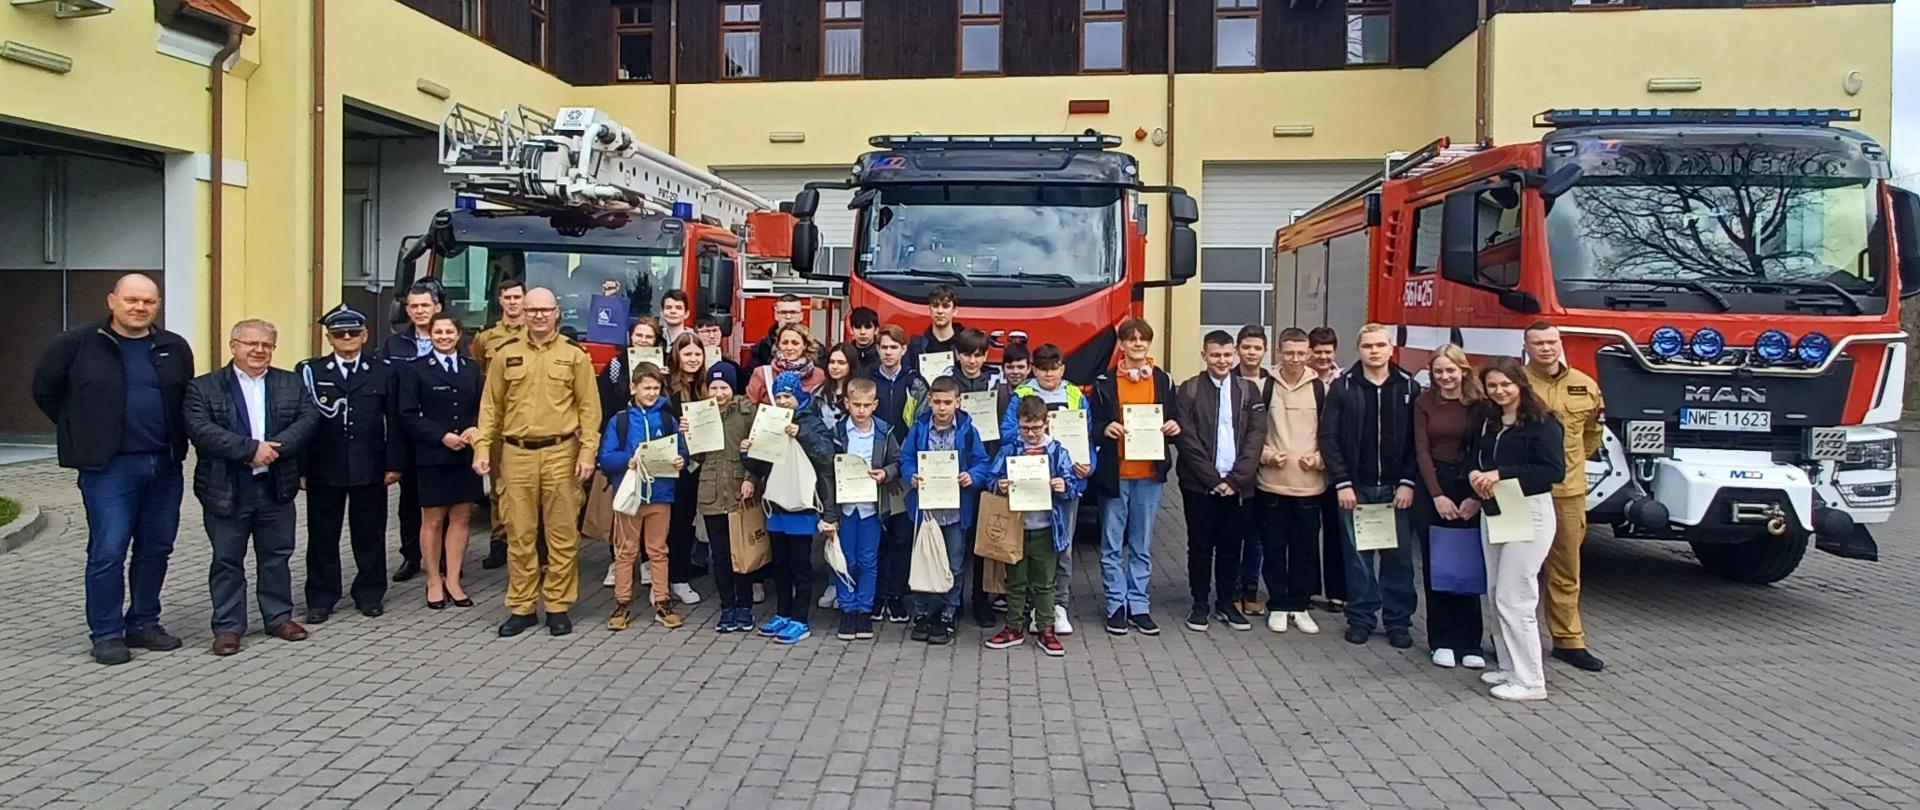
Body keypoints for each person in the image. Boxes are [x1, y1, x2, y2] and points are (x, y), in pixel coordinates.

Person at [32, 273, 195, 665]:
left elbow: (184, 397)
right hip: (109, 467)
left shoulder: (172, 347)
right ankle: (106, 632)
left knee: (157, 547)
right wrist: (83, 433)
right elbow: (46, 392)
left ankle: (143, 621)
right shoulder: (76, 344)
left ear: (157, 305)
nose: (139, 308)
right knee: (108, 549)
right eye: (131, 300)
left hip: (164, 463)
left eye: (148, 302)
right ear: (112, 300)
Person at [182, 319, 320, 655]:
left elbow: (308, 418)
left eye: (267, 345)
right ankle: (228, 626)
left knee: (276, 556)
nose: (259, 350)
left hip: (276, 484)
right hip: (226, 487)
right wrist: (250, 449)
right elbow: (200, 429)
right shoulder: (204, 387)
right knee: (227, 559)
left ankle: (278, 617)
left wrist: (275, 449)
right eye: (250, 344)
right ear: (233, 346)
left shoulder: (290, 383)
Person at [472, 287, 602, 638]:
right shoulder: (505, 354)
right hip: (516, 455)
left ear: (557, 312)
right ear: (524, 313)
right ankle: (523, 606)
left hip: (561, 453)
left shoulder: (574, 356)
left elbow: (590, 409)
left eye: (545, 310)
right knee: (519, 533)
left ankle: (558, 605)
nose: (539, 316)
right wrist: (482, 449)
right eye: (532, 310)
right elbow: (490, 407)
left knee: (561, 535)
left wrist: (588, 452)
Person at [295, 305, 406, 622]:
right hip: (323, 466)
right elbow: (301, 423)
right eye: (339, 333)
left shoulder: (383, 371)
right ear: (329, 337)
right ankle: (321, 598)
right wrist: (301, 468)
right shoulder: (311, 372)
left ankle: (369, 593)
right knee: (322, 536)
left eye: (353, 332)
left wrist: (394, 463)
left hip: (370, 465)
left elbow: (394, 422)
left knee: (370, 534)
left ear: (365, 335)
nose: (347, 338)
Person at [1466, 357, 1567, 702]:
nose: (1499, 391)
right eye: (1492, 385)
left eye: (1505, 384)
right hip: (1496, 509)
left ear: (1520, 383)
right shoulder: (1489, 421)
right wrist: (1476, 477)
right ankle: (1508, 665)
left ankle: (1531, 679)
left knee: (1516, 595)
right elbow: (1477, 458)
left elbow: (1553, 471)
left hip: (1530, 512)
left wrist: (1502, 475)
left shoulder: (1543, 422)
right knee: (1496, 592)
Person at [1319, 323, 1421, 649]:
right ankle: (1361, 618)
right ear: (1358, 349)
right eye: (1367, 346)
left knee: (1398, 560)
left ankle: (1398, 622)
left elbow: (1418, 442)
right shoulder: (1343, 386)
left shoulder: (1408, 387)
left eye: (1380, 345)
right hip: (1356, 488)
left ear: (1391, 348)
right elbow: (1328, 437)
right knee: (1357, 559)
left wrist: (1408, 482)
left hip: (1396, 490)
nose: (1374, 351)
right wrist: (1342, 483)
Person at [1521, 320, 1608, 673]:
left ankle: (1568, 640)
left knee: (1566, 569)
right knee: (1519, 571)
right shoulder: (1515, 384)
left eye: (1551, 341)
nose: (1546, 348)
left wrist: (1568, 466)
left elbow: (1592, 436)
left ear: (1560, 343)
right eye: (1538, 342)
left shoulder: (1584, 386)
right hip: (1523, 492)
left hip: (1568, 492)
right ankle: (1513, 638)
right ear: (1527, 347)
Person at [1172, 330, 1267, 633]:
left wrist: (1236, 480)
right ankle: (1200, 604)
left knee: (1231, 546)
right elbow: (1186, 439)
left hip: (1239, 486)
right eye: (1215, 355)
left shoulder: (1249, 390)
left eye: (1227, 355)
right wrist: (1213, 479)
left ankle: (1226, 603)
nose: (1222, 360)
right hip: (1199, 485)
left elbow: (1256, 436)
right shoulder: (1188, 390)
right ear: (1204, 356)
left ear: (1235, 355)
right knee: (1200, 546)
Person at [1090, 318, 1179, 636]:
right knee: (1112, 544)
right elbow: (1094, 423)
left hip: (1149, 476)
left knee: (1141, 544)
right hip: (1117, 474)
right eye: (1131, 340)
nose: (1137, 344)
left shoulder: (1163, 380)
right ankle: (1116, 604)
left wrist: (1172, 427)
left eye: (1143, 340)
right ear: (1122, 344)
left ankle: (1139, 605)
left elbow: (1175, 418)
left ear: (1149, 344)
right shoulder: (1105, 381)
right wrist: (1104, 429)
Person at [1000, 343, 1092, 635]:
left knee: (1061, 547)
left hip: (1062, 485)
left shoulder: (1074, 394)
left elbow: (1086, 438)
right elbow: (1007, 433)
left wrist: (1088, 466)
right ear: (1033, 369)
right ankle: (1029, 607)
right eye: (1042, 368)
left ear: (1063, 368)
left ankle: (1058, 606)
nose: (1049, 374)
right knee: (1026, 548)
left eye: (1054, 368)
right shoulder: (1022, 394)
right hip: (1027, 485)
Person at [983, 396, 1085, 657]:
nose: (1030, 434)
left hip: (1046, 527)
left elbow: (1073, 486)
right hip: (1016, 528)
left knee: (1045, 583)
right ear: (1018, 424)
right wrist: (1000, 485)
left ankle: (1046, 628)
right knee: (1015, 581)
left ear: (1046, 423)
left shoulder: (1057, 451)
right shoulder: (1010, 449)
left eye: (1035, 428)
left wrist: (1063, 486)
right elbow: (991, 478)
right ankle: (1014, 627)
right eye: (1025, 428)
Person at [744, 371, 838, 645]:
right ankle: (782, 612)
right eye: (780, 396)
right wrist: (746, 451)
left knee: (800, 566)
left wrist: (802, 434)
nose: (784, 401)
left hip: (801, 504)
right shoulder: (769, 422)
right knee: (780, 565)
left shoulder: (811, 421)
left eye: (789, 396)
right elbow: (758, 466)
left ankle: (800, 619)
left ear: (799, 396)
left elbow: (826, 457)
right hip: (775, 505)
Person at [898, 376, 993, 645]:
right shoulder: (918, 429)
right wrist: (911, 475)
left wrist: (971, 476)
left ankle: (949, 613)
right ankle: (921, 613)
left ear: (958, 402)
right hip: (925, 510)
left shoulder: (968, 431)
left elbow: (982, 462)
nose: (942, 408)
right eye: (937, 402)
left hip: (954, 511)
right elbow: (905, 458)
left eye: (947, 402)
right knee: (923, 561)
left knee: (954, 563)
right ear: (929, 401)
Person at [399, 315, 484, 610]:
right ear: (430, 335)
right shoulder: (416, 370)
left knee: (461, 518)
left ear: (459, 334)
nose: (444, 336)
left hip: (466, 453)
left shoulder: (472, 369)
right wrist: (441, 436)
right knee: (433, 520)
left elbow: (482, 407)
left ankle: (454, 580)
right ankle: (434, 579)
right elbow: (408, 414)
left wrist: (474, 428)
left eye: (450, 331)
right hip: (433, 454)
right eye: (438, 331)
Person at [597, 363, 689, 630]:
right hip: (630, 495)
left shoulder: (667, 418)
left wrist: (680, 460)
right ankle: (622, 603)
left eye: (656, 388)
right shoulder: (621, 421)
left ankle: (662, 601)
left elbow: (680, 449)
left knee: (658, 550)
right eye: (646, 388)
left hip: (660, 494)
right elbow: (606, 457)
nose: (651, 393)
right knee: (625, 551)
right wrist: (628, 460)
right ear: (633, 388)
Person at [1413, 345, 1488, 669]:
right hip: (1435, 486)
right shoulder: (1424, 402)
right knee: (1438, 565)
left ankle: (1470, 641)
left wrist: (1476, 498)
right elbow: (1422, 451)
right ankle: (1441, 639)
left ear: (1463, 370)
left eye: (1450, 370)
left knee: (1469, 564)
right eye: (1438, 371)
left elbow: (1486, 449)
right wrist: (1437, 495)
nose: (1444, 377)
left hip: (1471, 483)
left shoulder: (1481, 405)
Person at [1254, 328, 1327, 635]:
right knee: (1273, 546)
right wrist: (1267, 454)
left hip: (1310, 482)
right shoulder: (1263, 387)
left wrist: (1322, 458)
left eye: (1301, 353)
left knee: (1306, 547)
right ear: (1278, 354)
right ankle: (1278, 603)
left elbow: (1332, 432)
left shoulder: (1321, 388)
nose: (1295, 359)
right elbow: (1251, 432)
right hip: (1272, 481)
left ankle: (1299, 604)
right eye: (1289, 353)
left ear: (1309, 353)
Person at [829, 377, 899, 641]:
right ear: (847, 403)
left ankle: (864, 611)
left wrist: (885, 473)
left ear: (875, 405)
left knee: (868, 560)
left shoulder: (884, 432)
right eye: (856, 404)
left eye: (866, 405)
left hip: (871, 508)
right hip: (845, 507)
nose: (860, 410)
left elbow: (896, 461)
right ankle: (847, 609)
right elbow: (827, 469)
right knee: (845, 559)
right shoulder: (837, 432)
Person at [384, 283, 443, 583]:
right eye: (413, 306)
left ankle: (441, 555)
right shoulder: (394, 346)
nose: (419, 311)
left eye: (425, 305)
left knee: (441, 497)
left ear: (437, 308)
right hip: (406, 432)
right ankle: (411, 555)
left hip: (442, 434)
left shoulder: (450, 339)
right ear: (407, 310)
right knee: (409, 499)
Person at [869, 323, 927, 622]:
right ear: (877, 349)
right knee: (876, 536)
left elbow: (920, 425)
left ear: (904, 350)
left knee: (902, 537)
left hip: (903, 471)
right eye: (884, 347)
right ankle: (877, 595)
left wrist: (902, 464)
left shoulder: (916, 384)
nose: (888, 352)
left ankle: (896, 594)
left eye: (895, 347)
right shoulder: (867, 380)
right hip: (873, 470)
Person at [695, 362, 758, 633]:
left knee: (739, 554)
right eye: (713, 387)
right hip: (711, 491)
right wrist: (690, 434)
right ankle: (727, 607)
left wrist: (751, 479)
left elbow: (759, 449)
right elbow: (696, 457)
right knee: (719, 555)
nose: (718, 393)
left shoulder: (746, 411)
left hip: (738, 491)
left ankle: (745, 607)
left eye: (724, 387)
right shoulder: (700, 414)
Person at [471, 277, 528, 571]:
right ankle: (499, 541)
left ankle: (525, 541)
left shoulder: (535, 335)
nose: (512, 302)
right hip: (498, 423)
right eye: (507, 298)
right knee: (498, 487)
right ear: (500, 301)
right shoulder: (486, 338)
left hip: (528, 421)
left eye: (517, 297)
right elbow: (480, 377)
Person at [662, 333, 709, 605]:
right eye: (687, 354)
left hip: (697, 464)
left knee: (686, 523)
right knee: (669, 524)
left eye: (697, 354)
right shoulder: (667, 386)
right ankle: (667, 578)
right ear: (676, 356)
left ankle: (680, 576)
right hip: (672, 463)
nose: (692, 359)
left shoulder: (705, 386)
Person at [1232, 324, 1274, 618]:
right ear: (1238, 349)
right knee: (1235, 531)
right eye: (1246, 347)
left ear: (1265, 351)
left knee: (1258, 534)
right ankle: (1232, 589)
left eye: (1257, 348)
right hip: (1234, 469)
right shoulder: (1227, 380)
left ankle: (1250, 588)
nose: (1251, 352)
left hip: (1269, 467)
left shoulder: (1273, 384)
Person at [1306, 324, 1345, 610]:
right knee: (1307, 532)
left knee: (1336, 533)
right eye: (1317, 352)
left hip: (1334, 468)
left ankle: (1337, 592)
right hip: (1305, 465)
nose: (1322, 358)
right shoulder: (1302, 379)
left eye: (1327, 352)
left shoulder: (1345, 381)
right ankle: (1307, 589)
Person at [601, 317, 663, 424]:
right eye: (639, 335)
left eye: (649, 337)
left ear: (655, 340)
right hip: (623, 425)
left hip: (657, 424)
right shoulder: (617, 364)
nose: (643, 340)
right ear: (631, 337)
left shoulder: (665, 363)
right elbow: (604, 399)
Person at [746, 323, 825, 405]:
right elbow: (750, 407)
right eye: (785, 343)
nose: (789, 348)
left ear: (804, 345)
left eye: (795, 343)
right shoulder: (762, 374)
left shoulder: (819, 375)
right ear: (778, 345)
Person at [906, 284, 965, 377]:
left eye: (945, 306)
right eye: (935, 305)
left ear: (954, 311)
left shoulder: (965, 344)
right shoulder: (916, 346)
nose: (940, 311)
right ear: (929, 310)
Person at [747, 294, 806, 372]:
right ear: (776, 315)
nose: (788, 317)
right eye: (783, 312)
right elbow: (751, 379)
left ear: (801, 316)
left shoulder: (816, 349)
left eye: (793, 312)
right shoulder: (761, 349)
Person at [817, 342, 858, 426]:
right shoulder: (818, 393)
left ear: (851, 365)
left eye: (841, 363)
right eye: (832, 362)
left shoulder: (859, 392)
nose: (835, 367)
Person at [847, 306, 881, 374]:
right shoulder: (844, 355)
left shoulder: (883, 356)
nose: (862, 332)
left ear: (876, 330)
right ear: (851, 330)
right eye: (858, 327)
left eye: (868, 327)